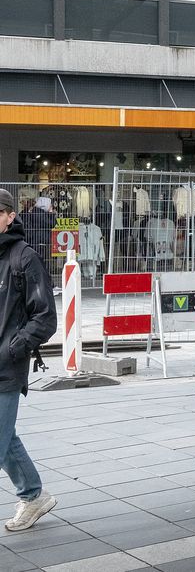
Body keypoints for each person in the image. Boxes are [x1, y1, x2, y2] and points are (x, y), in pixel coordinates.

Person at [0, 189, 58, 531]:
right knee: (6, 439)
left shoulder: (24, 258)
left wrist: (13, 348)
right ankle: (34, 495)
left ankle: (32, 496)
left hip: (6, 365)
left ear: (9, 216)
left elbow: (45, 317)